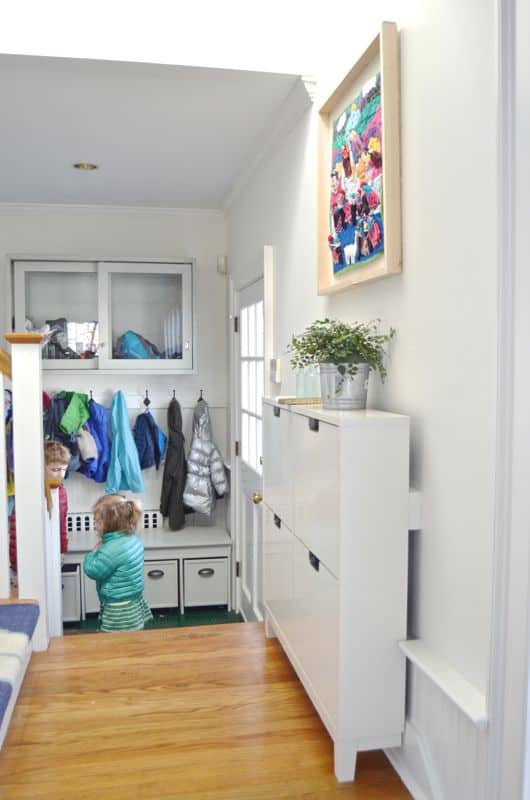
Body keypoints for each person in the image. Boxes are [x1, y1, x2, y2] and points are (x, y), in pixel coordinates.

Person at [83, 494, 153, 632]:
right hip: (134, 601)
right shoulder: (133, 540)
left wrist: (92, 554)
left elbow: (93, 570)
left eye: (97, 521)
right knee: (132, 639)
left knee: (113, 641)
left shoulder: (111, 549)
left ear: (109, 523)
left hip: (118, 608)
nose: (95, 525)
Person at [9, 440, 70, 582]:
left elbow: (62, 525)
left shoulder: (61, 492)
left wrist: (61, 550)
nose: (60, 474)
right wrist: (16, 564)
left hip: (51, 554)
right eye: (55, 470)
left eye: (63, 469)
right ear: (41, 467)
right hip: (29, 558)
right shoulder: (29, 492)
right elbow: (16, 531)